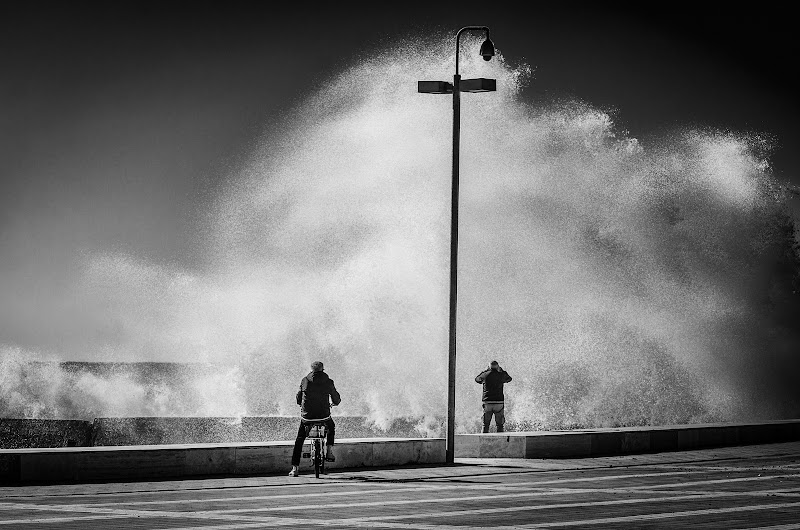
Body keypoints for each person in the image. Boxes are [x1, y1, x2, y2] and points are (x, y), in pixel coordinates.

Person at [289, 361, 341, 477]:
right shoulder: (328, 381)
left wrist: (301, 404)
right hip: (324, 415)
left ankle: (295, 468)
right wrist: (335, 403)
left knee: (299, 439)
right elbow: (336, 398)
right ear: (323, 370)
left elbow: (298, 398)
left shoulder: (304, 380)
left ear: (311, 370)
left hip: (307, 417)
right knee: (331, 426)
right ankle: (329, 451)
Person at [475, 360, 512, 433]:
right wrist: (502, 371)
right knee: (500, 425)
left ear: (489, 367)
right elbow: (509, 379)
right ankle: (501, 442)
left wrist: (485, 371)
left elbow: (477, 379)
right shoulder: (501, 375)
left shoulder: (485, 374)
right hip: (499, 401)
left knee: (485, 424)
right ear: (498, 367)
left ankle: (483, 442)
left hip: (487, 401)